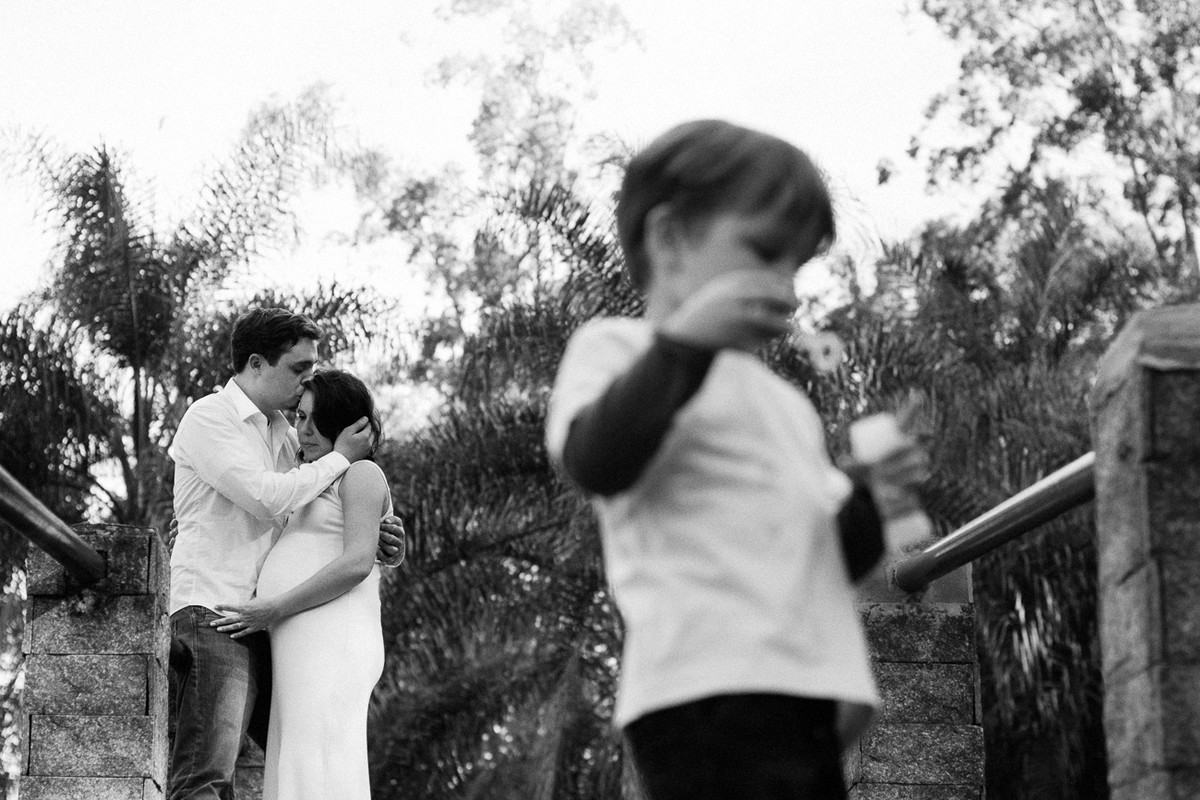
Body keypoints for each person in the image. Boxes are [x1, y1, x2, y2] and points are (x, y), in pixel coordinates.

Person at [544, 119, 927, 800]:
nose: (786, 287)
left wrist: (873, 495)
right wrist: (685, 344)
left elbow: (833, 553)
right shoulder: (618, 351)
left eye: (796, 267)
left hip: (807, 694)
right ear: (668, 238)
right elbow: (598, 460)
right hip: (703, 690)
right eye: (763, 252)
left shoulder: (784, 405)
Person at [168, 308, 403, 800]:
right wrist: (344, 455)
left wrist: (383, 534)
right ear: (256, 363)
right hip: (220, 612)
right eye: (298, 369)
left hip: (266, 626)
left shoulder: (284, 435)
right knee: (211, 773)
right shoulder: (211, 417)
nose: (305, 383)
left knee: (307, 753)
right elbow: (268, 497)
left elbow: (316, 523)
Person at [212, 369, 389, 800]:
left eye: (312, 419)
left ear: (344, 424)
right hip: (298, 641)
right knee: (295, 762)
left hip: (334, 637)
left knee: (322, 761)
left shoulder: (361, 474)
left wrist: (275, 608)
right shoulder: (306, 483)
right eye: (299, 416)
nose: (300, 429)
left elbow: (356, 563)